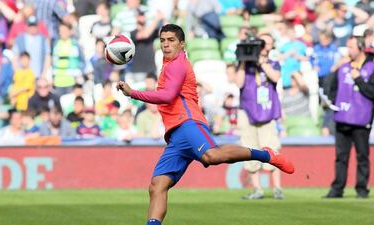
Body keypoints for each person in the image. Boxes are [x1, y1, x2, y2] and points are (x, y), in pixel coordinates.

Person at [116, 24, 294, 225]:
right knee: (157, 185)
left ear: (182, 44)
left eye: (171, 40)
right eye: (163, 40)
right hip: (175, 134)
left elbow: (168, 95)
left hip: (189, 123)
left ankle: (267, 155)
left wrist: (133, 93)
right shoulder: (168, 63)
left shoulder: (177, 64)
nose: (166, 44)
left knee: (212, 156)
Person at [324, 36, 374, 199]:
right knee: (341, 157)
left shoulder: (372, 67)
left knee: (362, 156)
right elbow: (328, 86)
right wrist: (334, 69)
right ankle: (337, 189)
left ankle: (361, 189)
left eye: (351, 47)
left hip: (361, 119)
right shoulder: (343, 66)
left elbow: (372, 93)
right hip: (342, 117)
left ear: (361, 48)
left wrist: (358, 79)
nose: (348, 51)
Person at [236, 33, 284, 199]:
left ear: (271, 46)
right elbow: (239, 83)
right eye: (261, 42)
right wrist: (243, 60)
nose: (264, 46)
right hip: (247, 111)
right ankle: (258, 189)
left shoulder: (273, 62)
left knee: (272, 149)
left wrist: (261, 62)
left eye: (267, 43)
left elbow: (276, 77)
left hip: (267, 112)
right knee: (250, 150)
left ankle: (277, 188)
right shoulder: (245, 63)